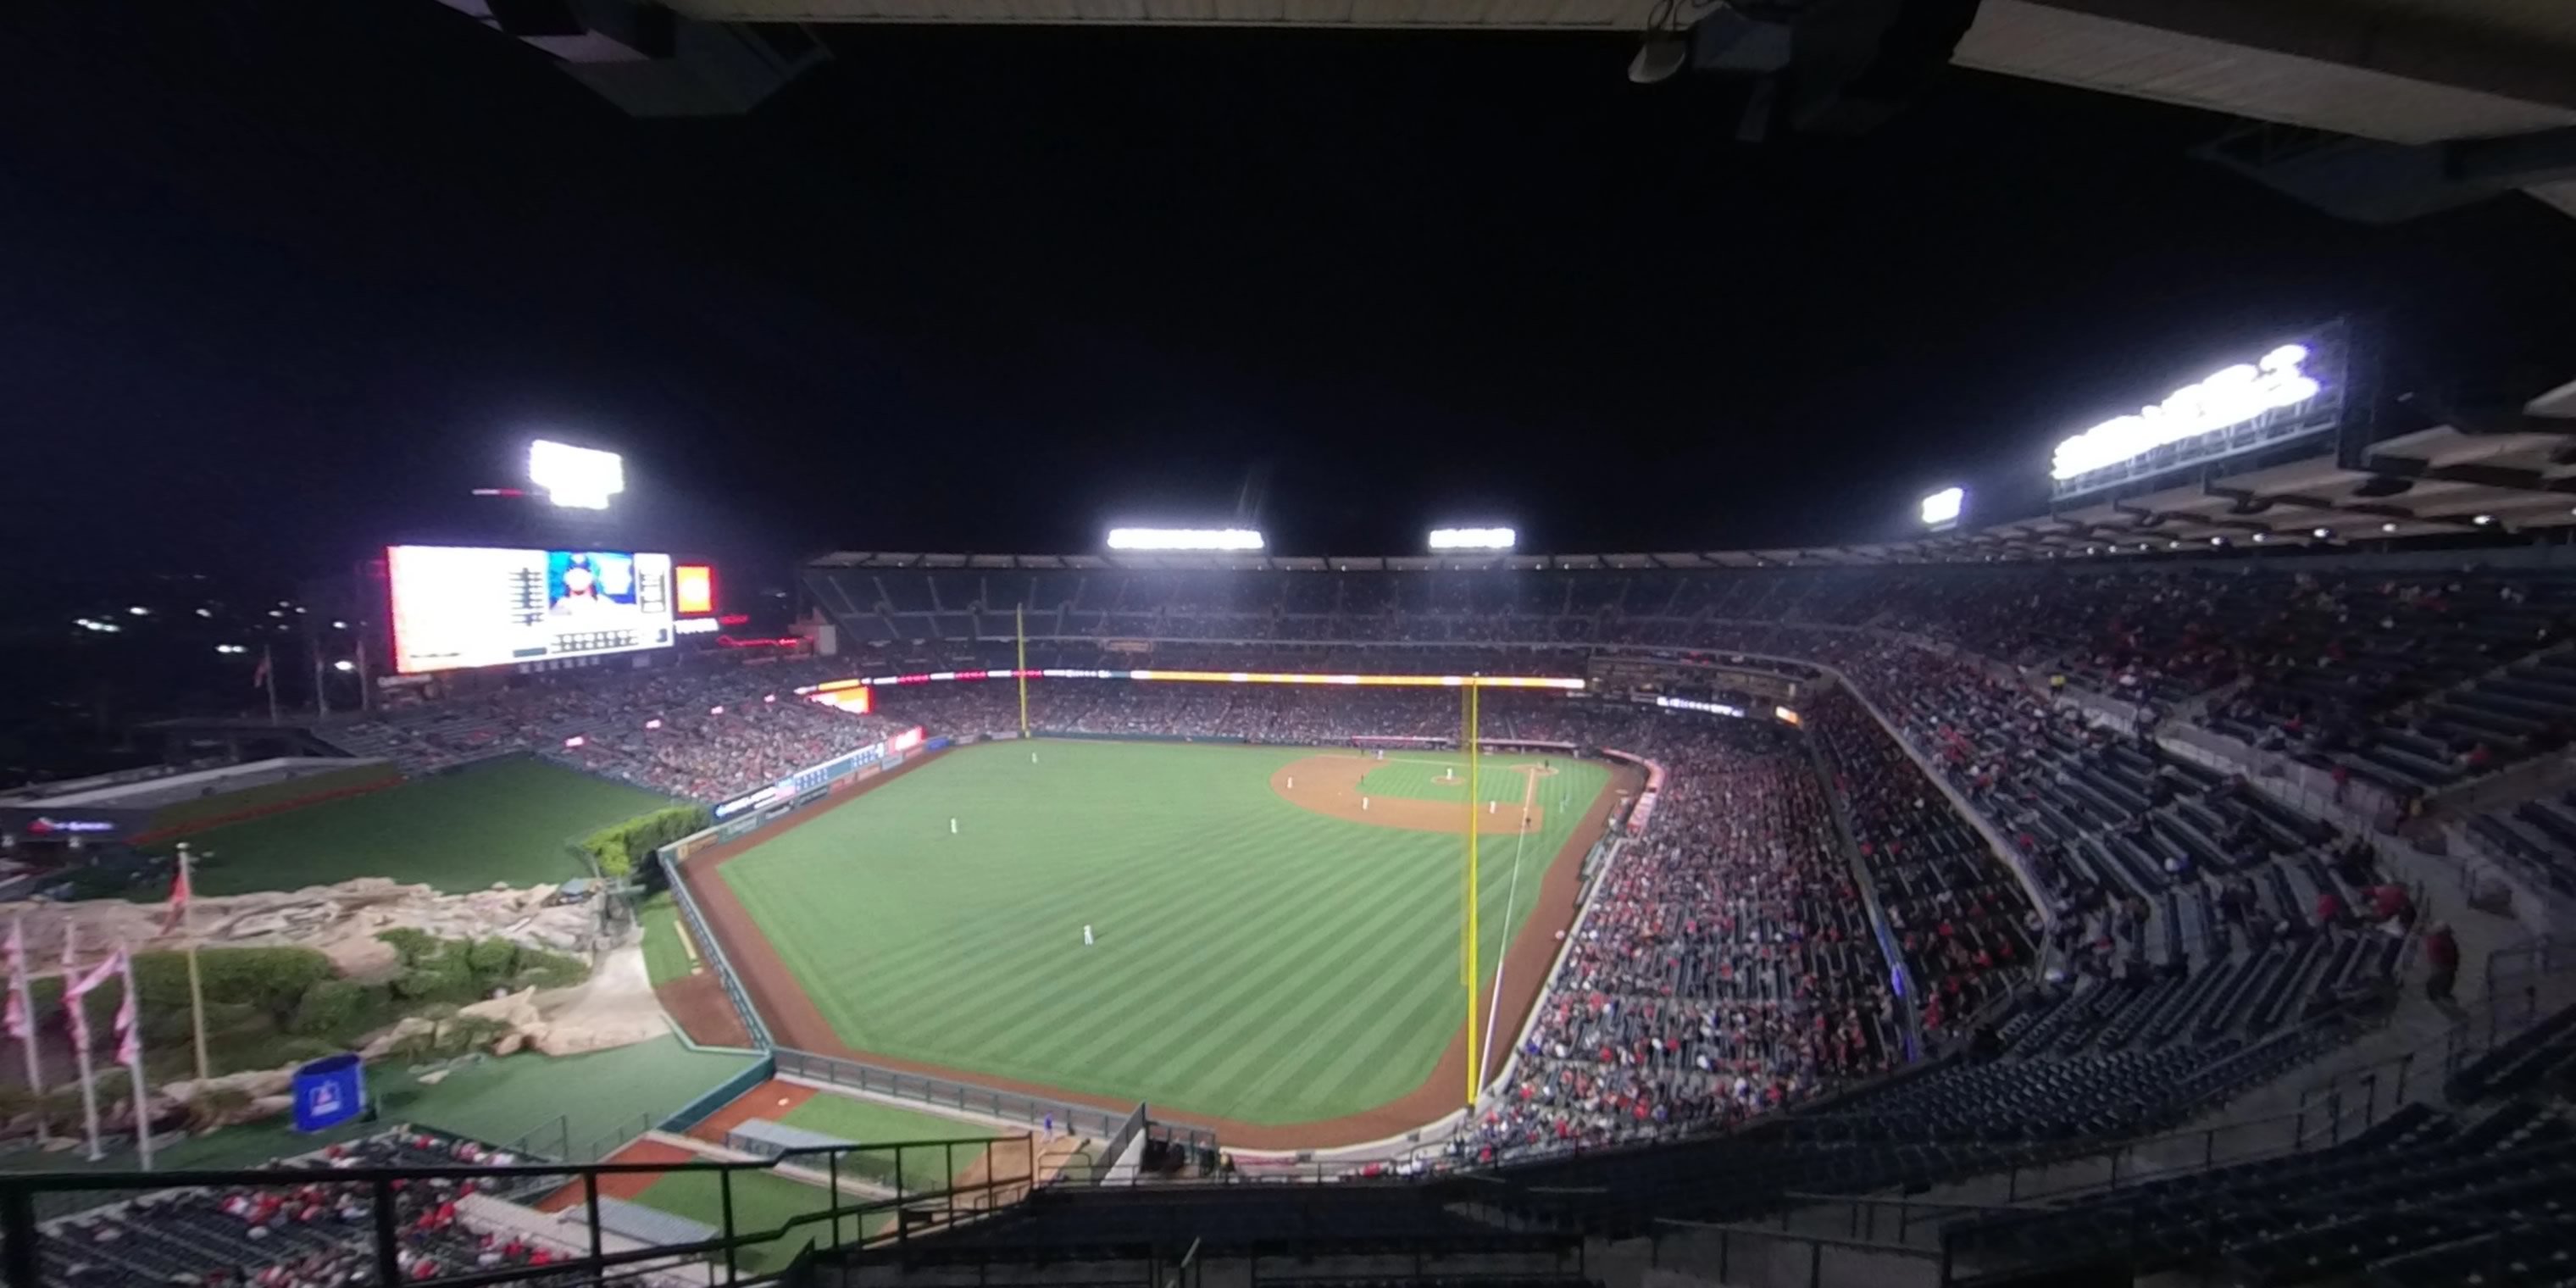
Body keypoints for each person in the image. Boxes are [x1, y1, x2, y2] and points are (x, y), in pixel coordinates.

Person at [2423, 923, 2459, 1003]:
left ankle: (2444, 993)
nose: (2449, 933)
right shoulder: (2436, 940)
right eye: (2447, 931)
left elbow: (2454, 949)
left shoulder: (2447, 938)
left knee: (2450, 979)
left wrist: (2455, 962)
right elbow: (2436, 955)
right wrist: (2445, 965)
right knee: (2437, 978)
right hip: (2441, 964)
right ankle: (2431, 995)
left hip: (2450, 963)